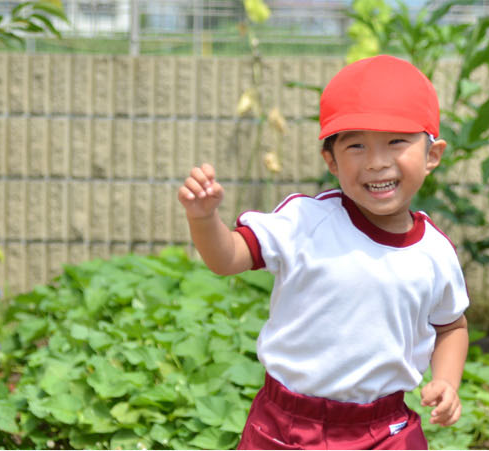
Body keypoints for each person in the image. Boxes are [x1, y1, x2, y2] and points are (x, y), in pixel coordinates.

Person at [177, 55, 469, 450]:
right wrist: (203, 218)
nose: (377, 162)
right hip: (286, 426)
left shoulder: (434, 252)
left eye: (396, 142)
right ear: (331, 159)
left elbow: (451, 325)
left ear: (432, 154)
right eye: (357, 146)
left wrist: (447, 382)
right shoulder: (305, 222)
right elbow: (227, 258)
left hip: (385, 429)